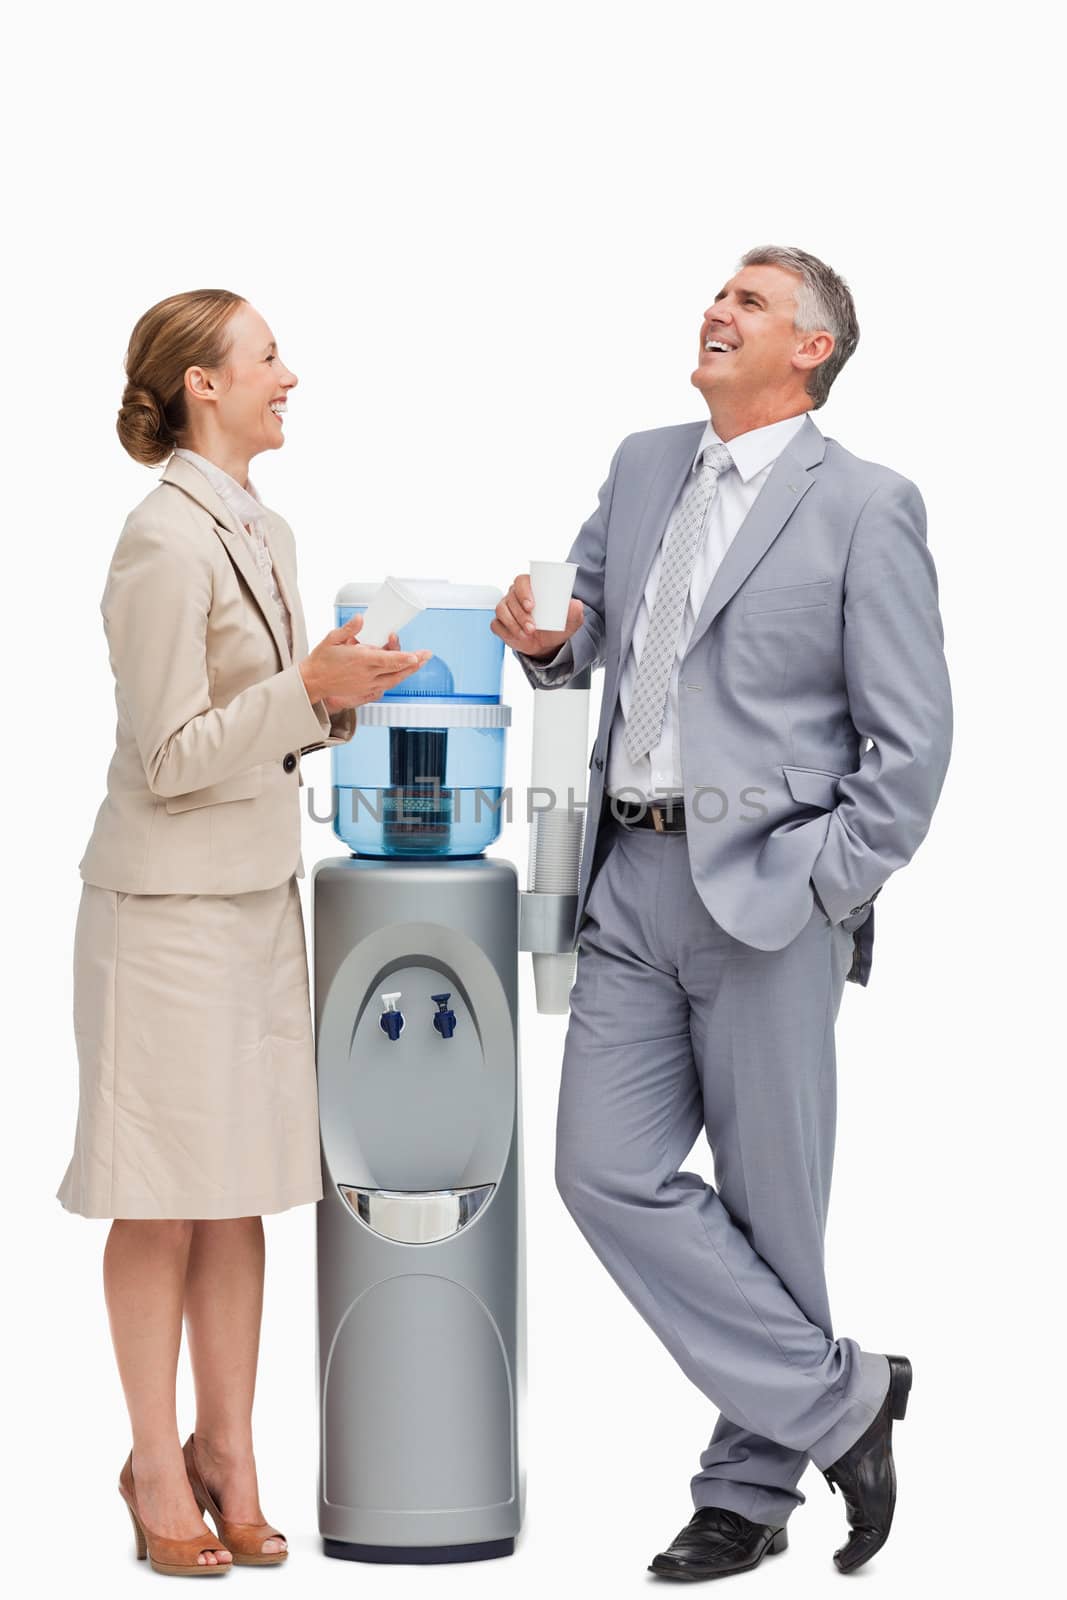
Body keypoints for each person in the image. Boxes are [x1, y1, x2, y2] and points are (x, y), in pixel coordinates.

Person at [493, 245, 952, 1580]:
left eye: (751, 301)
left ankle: (745, 1494)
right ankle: (844, 1400)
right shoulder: (645, 466)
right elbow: (587, 640)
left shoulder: (865, 505)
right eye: (719, 293)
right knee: (599, 1170)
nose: (717, 309)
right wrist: (542, 637)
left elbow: (911, 749)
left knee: (771, 1207)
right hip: (629, 883)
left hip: (768, 899)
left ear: (812, 349)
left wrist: (823, 884)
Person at [57, 289, 431, 1577]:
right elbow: (165, 758)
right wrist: (300, 693)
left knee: (241, 1202)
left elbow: (262, 727)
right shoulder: (162, 540)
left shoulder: (262, 530)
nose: (290, 375)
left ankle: (232, 1454)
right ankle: (155, 1465)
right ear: (202, 385)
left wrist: (331, 697)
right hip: (163, 917)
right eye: (267, 356)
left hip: (254, 902)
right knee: (162, 1203)